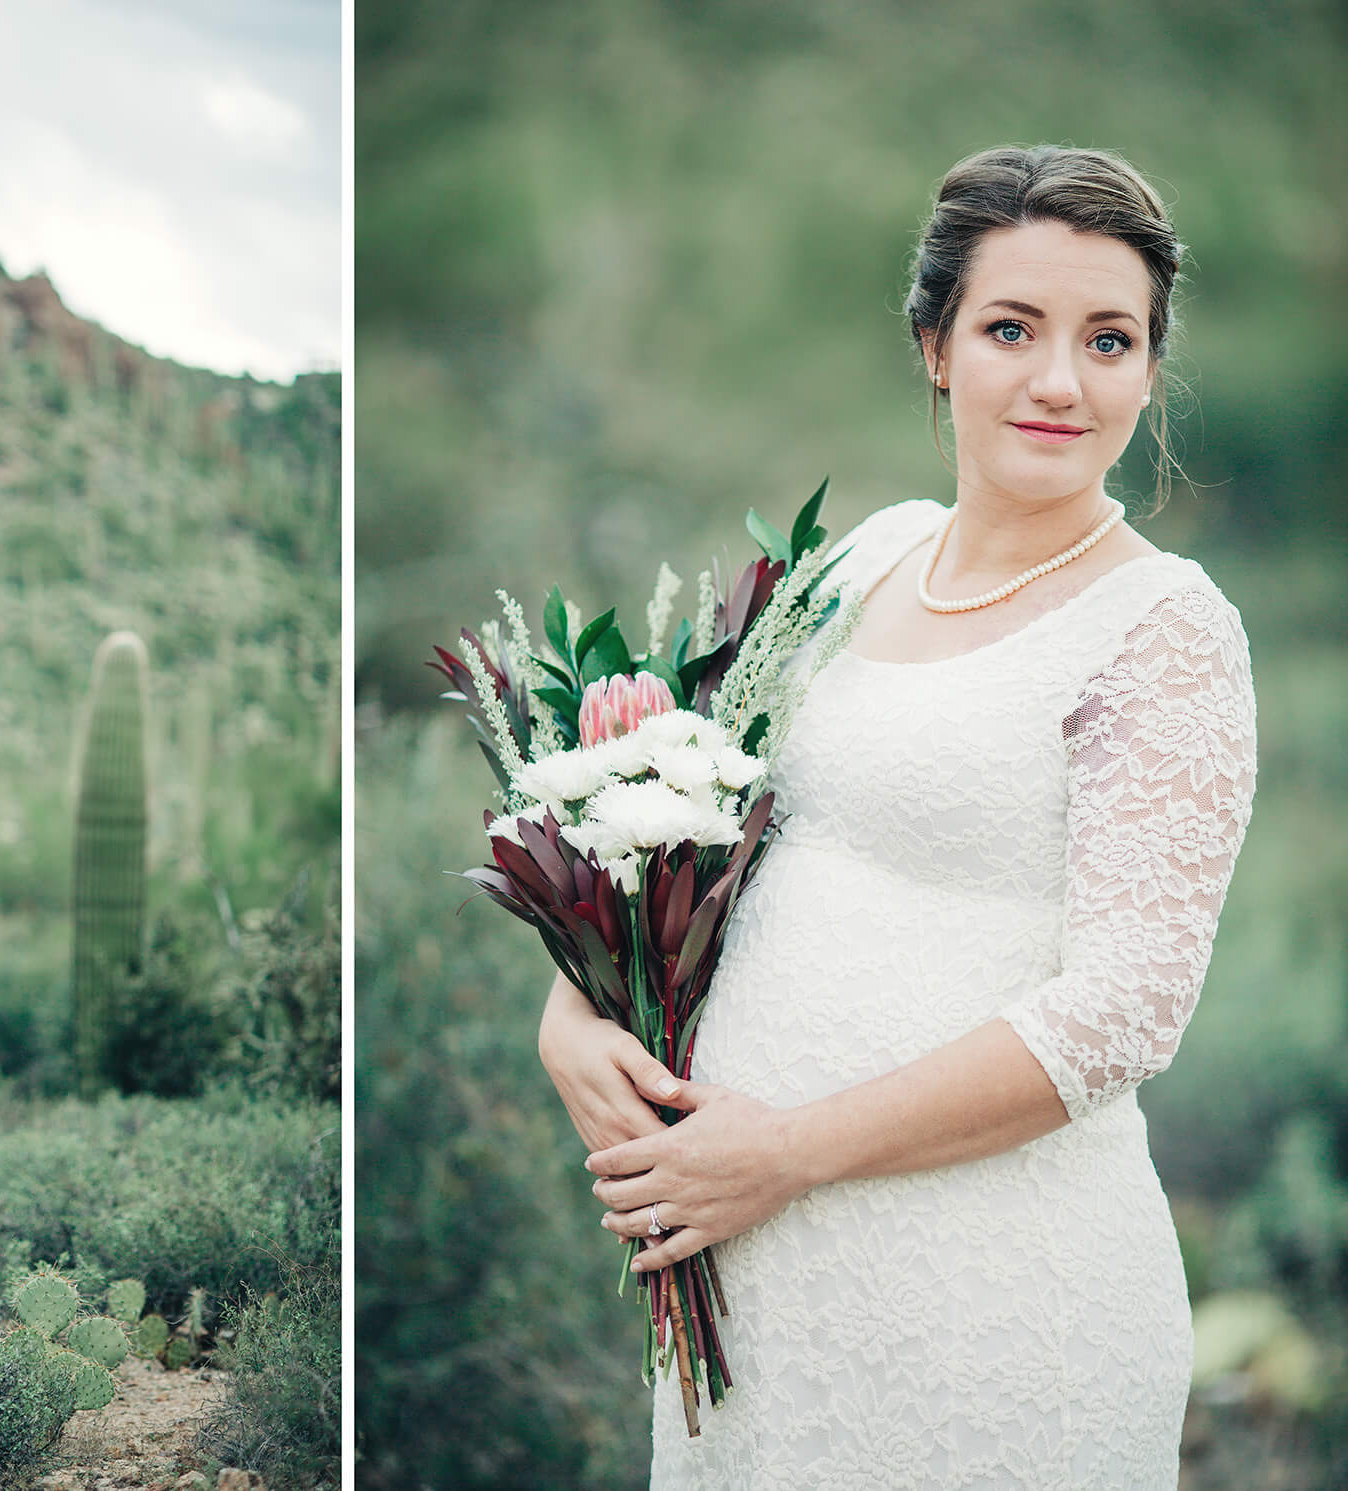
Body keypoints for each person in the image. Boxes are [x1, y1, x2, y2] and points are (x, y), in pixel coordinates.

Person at [538, 145, 1258, 1488]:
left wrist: (787, 1151)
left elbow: (1122, 1014)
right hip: (764, 1287)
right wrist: (574, 1015)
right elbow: (711, 844)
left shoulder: (1166, 633)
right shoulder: (865, 555)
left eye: (1110, 339)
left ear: (1150, 370)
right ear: (935, 345)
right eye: (1011, 328)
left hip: (989, 1290)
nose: (1061, 379)